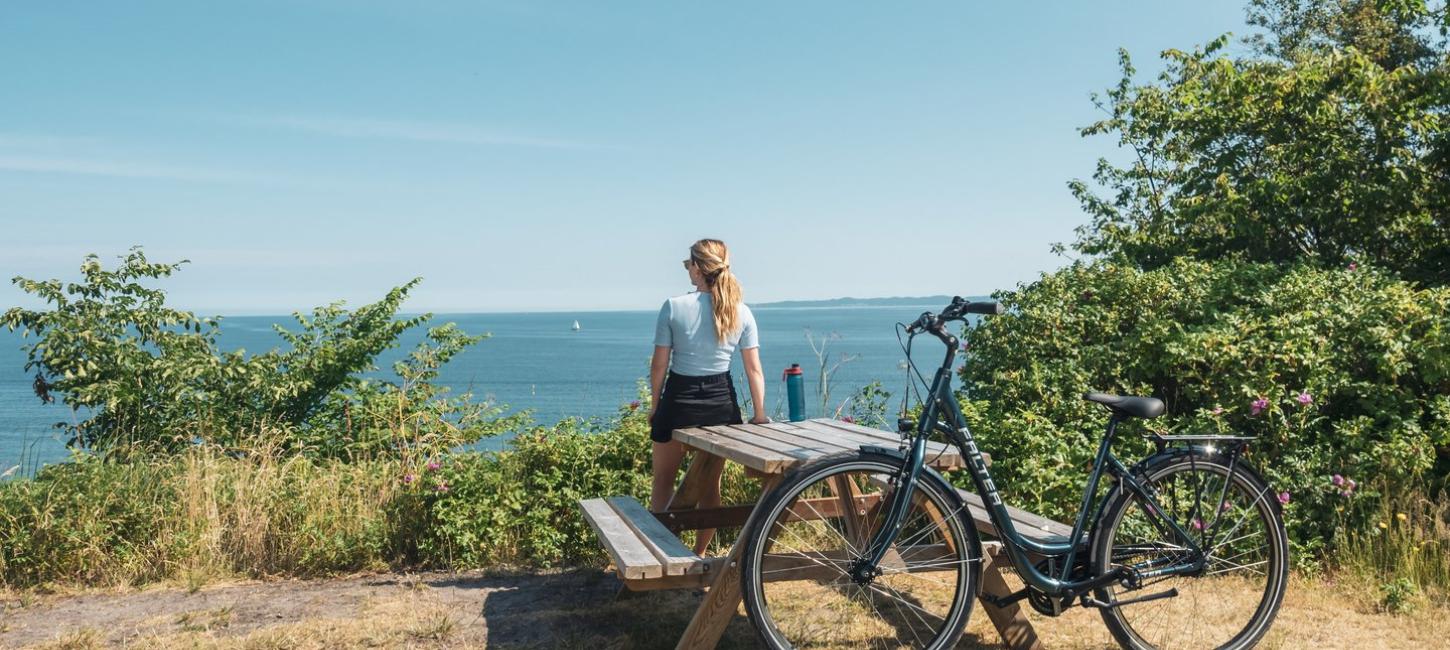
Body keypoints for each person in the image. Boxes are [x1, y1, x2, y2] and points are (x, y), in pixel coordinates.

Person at [648, 238, 768, 555]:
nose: (688, 270)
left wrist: (654, 406)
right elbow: (754, 370)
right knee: (709, 487)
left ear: (699, 268)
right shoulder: (741, 311)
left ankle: (661, 553)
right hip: (720, 403)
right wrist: (759, 415)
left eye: (689, 264)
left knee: (662, 481)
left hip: (678, 399)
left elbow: (659, 365)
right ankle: (699, 554)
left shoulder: (673, 307)